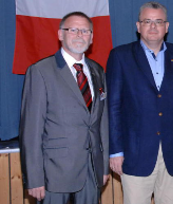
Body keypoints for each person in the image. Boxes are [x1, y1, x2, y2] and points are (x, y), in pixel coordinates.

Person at [106, 2, 173, 204]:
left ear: (167, 26)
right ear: (138, 26)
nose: (153, 27)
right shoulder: (120, 56)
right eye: (147, 21)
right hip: (135, 153)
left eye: (158, 21)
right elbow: (113, 107)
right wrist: (116, 151)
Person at [19, 11, 109, 204]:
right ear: (60, 34)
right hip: (53, 174)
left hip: (91, 171)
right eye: (73, 30)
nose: (79, 35)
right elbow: (31, 131)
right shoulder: (40, 72)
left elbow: (102, 124)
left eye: (85, 31)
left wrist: (104, 167)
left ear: (92, 37)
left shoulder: (97, 70)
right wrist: (34, 178)